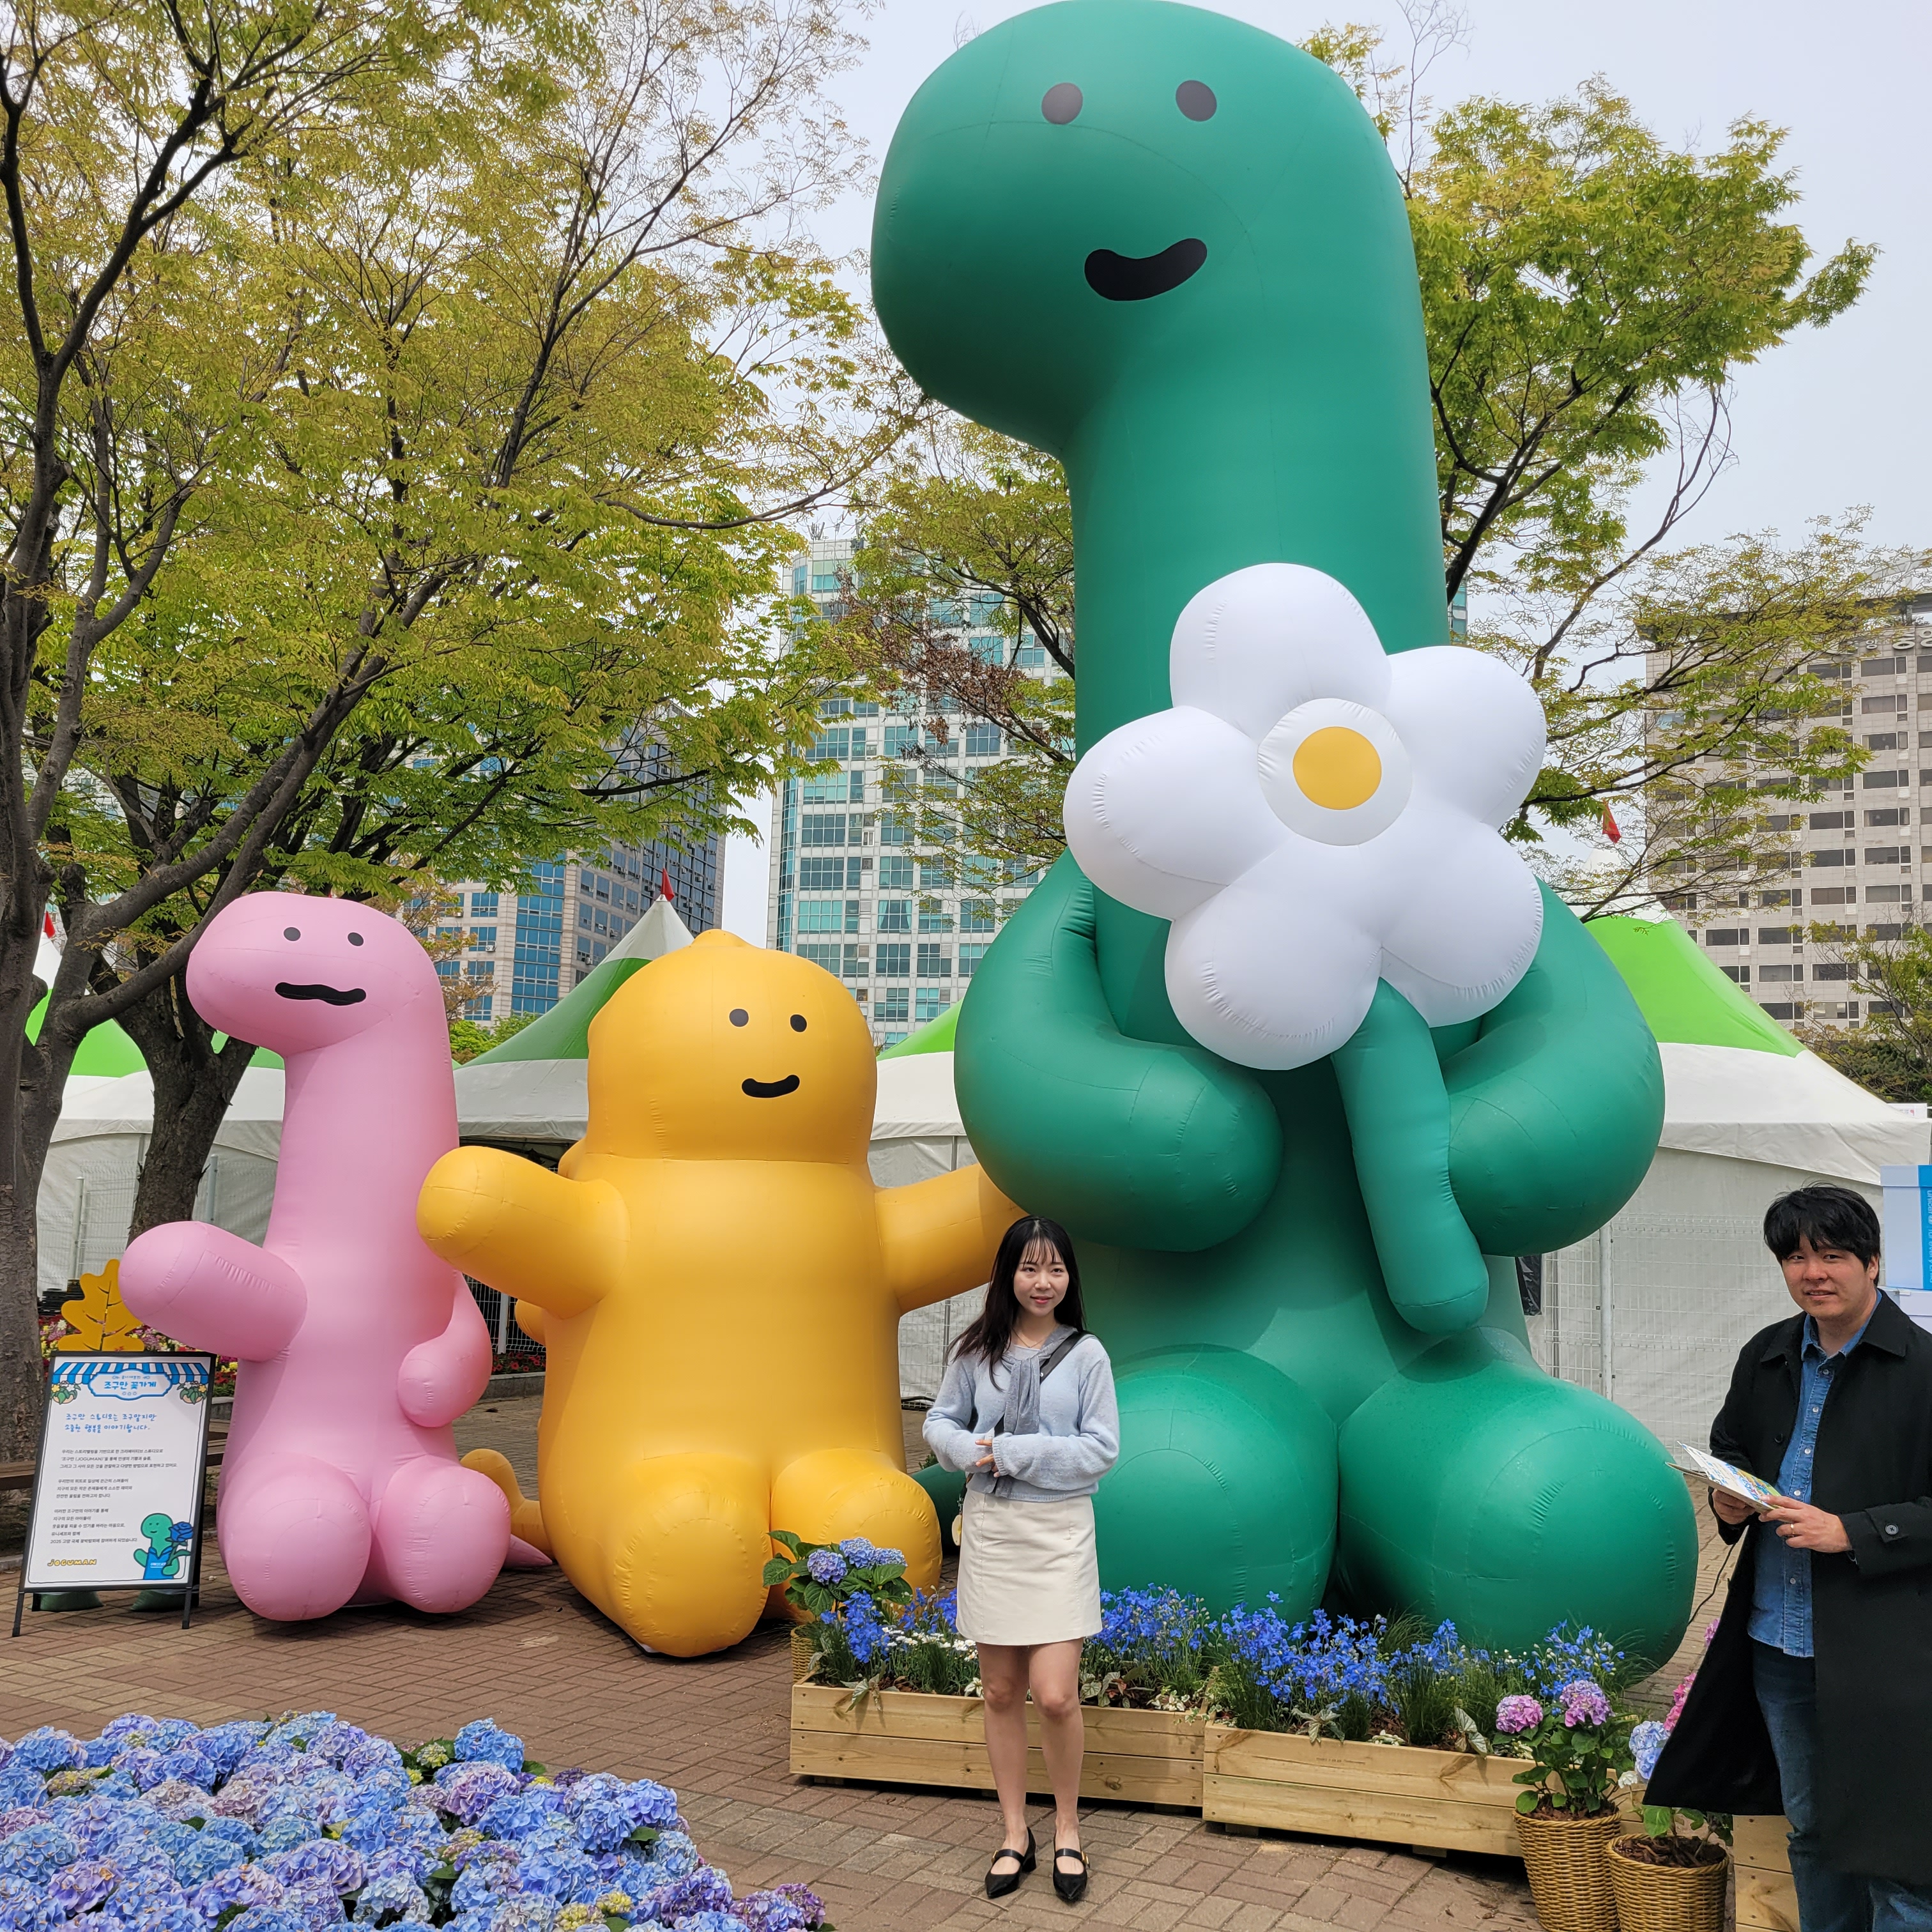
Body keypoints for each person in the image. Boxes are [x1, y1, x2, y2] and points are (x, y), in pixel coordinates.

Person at [1644, 1184, 1932, 1930]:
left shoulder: (1922, 1369)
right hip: (1777, 1641)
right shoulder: (1767, 1354)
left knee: (1900, 1852)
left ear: (1873, 1262)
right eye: (1796, 1258)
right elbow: (1731, 1446)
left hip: (1885, 1651)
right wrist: (1728, 1501)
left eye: (1832, 1255)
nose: (1813, 1273)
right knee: (1810, 1831)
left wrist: (1854, 1532)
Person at [924, 1215, 1119, 1905]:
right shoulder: (977, 1351)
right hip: (994, 1530)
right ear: (1008, 1274)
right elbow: (938, 1421)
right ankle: (1014, 1832)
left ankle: (1067, 1827)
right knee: (1001, 1692)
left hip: (1060, 1533)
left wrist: (1013, 1452)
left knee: (1056, 1695)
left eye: (1055, 1269)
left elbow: (1101, 1448)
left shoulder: (1087, 1354)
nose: (1043, 1282)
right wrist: (967, 1450)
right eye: (1030, 1268)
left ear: (1070, 1277)